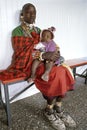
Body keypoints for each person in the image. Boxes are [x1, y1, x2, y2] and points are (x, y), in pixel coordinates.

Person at [0, 3, 76, 130]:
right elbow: (21, 52)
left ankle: (57, 106)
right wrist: (43, 55)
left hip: (44, 62)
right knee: (54, 74)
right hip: (28, 64)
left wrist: (55, 54)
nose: (31, 15)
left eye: (34, 12)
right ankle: (48, 111)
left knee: (63, 70)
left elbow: (49, 44)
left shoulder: (40, 31)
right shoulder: (17, 31)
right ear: (22, 15)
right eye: (28, 12)